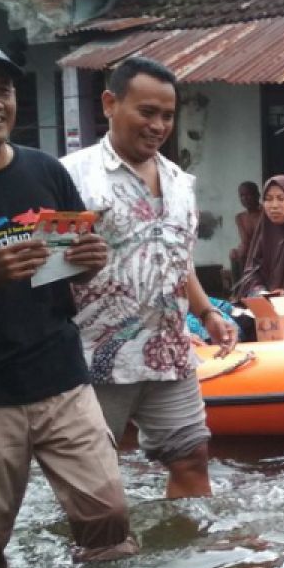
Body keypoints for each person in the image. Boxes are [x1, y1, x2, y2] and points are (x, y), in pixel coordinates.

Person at [0, 36, 138, 568]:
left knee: (108, 516)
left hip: (59, 375)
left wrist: (91, 259)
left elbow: (71, 265)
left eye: (3, 90)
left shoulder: (45, 172)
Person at [61, 56, 237, 500]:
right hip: (94, 359)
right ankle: (101, 564)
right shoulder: (69, 176)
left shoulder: (180, 182)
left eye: (167, 115)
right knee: (93, 485)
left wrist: (206, 311)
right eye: (147, 112)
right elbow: (42, 270)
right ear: (109, 104)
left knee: (192, 458)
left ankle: (191, 562)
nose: (158, 125)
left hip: (168, 355)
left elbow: (179, 259)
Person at [229, 180, 261, 283]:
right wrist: (238, 251)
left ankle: (247, 286)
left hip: (264, 249)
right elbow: (245, 240)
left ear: (257, 195)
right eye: (242, 196)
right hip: (249, 249)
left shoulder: (265, 214)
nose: (245, 198)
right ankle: (238, 289)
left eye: (249, 194)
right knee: (234, 253)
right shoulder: (240, 217)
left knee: (243, 252)